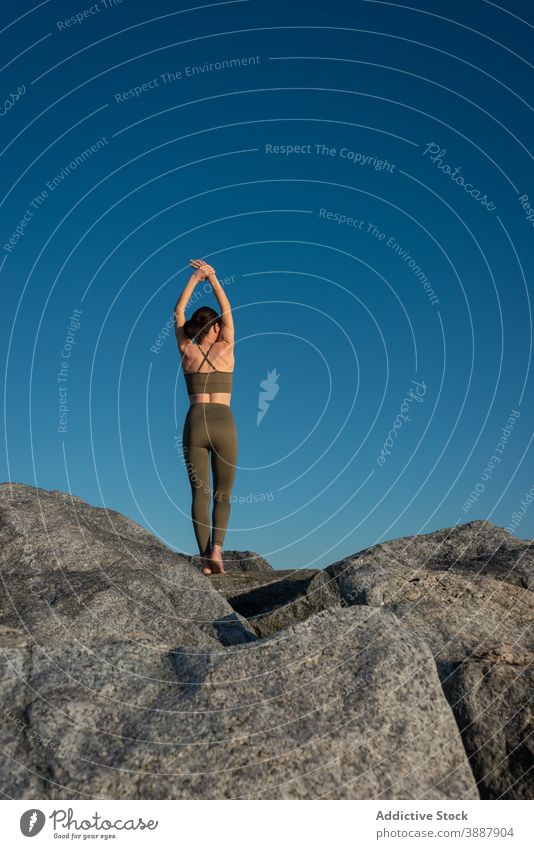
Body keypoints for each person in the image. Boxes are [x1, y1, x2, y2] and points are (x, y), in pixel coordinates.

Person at [174, 259, 237, 575]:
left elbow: (178, 313)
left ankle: (203, 559)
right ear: (215, 327)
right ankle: (217, 550)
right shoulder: (226, 346)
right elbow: (227, 310)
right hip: (223, 423)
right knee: (223, 494)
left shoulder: (187, 350)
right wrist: (212, 278)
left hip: (195, 422)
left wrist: (194, 279)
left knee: (200, 492)